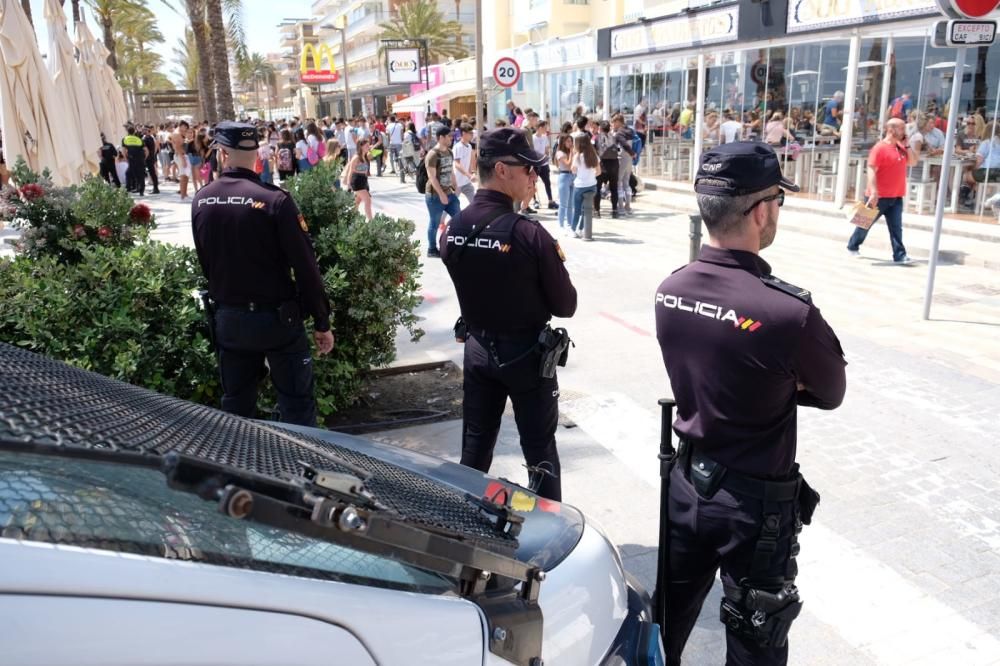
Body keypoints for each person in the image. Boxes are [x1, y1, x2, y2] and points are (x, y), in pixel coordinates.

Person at [654, 141, 846, 666]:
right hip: (755, 512)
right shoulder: (787, 313)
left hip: (686, 487)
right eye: (778, 201)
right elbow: (831, 392)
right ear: (761, 210)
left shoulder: (670, 290)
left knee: (663, 623)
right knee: (755, 645)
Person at [439, 127, 577, 501]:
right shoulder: (529, 234)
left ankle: (462, 533)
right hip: (527, 357)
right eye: (528, 170)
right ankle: (551, 544)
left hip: (479, 350)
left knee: (474, 451)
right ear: (502, 169)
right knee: (540, 454)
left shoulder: (452, 229)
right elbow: (566, 306)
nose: (534, 178)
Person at [191, 121, 334, 427]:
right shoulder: (274, 200)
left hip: (230, 321)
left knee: (237, 414)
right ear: (257, 154)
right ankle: (299, 473)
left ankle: (243, 473)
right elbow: (306, 267)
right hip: (278, 322)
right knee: (297, 411)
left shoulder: (202, 200)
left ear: (221, 153)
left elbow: (207, 264)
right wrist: (322, 321)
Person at [847, 118, 915, 263]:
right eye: (902, 128)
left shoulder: (901, 148)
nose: (905, 132)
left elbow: (913, 162)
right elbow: (871, 170)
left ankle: (900, 255)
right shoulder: (879, 148)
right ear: (891, 130)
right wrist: (874, 192)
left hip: (896, 196)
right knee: (864, 224)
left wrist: (907, 145)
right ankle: (852, 246)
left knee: (896, 228)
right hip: (878, 196)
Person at [424, 126, 461, 258]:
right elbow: (432, 177)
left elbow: (450, 171)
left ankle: (455, 244)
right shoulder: (432, 155)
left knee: (459, 218)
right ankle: (432, 249)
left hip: (449, 194)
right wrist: (441, 194)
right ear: (441, 138)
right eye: (449, 136)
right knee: (434, 223)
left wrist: (455, 185)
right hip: (435, 196)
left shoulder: (450, 152)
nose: (451, 138)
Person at [570, 134, 600, 237]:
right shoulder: (594, 155)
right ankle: (582, 229)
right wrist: (590, 176)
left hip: (579, 186)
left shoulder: (577, 156)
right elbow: (599, 172)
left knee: (577, 210)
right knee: (586, 209)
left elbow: (573, 171)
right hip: (592, 186)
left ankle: (573, 230)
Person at [594, 121, 619, 219]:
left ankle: (597, 211)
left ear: (600, 128)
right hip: (614, 165)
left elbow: (594, 150)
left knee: (597, 189)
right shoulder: (614, 137)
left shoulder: (596, 138)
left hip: (602, 165)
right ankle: (614, 210)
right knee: (614, 189)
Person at [346, 137, 373, 221]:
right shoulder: (356, 157)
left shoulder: (365, 156)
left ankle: (351, 218)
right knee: (368, 200)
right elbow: (350, 171)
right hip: (357, 180)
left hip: (364, 181)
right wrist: (348, 184)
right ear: (361, 146)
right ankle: (371, 221)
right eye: (366, 146)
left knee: (357, 202)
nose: (368, 147)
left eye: (368, 145)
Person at [453, 123, 477, 206]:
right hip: (457, 182)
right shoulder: (458, 147)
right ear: (463, 133)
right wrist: (469, 175)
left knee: (475, 203)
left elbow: (470, 162)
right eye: (470, 133)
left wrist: (473, 172)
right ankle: (441, 219)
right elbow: (457, 164)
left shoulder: (469, 146)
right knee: (451, 205)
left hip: (466, 182)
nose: (472, 135)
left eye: (472, 133)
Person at [554, 133, 574, 231]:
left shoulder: (570, 152)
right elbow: (568, 164)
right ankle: (561, 224)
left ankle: (570, 223)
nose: (570, 143)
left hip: (572, 176)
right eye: (568, 141)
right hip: (564, 176)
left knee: (571, 203)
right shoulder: (560, 153)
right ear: (563, 142)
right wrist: (572, 153)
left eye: (571, 141)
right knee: (563, 203)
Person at [122, 126, 146, 195]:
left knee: (128, 173)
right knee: (140, 174)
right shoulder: (138, 139)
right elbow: (146, 150)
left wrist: (126, 159)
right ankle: (141, 191)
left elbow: (124, 150)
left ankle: (128, 188)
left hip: (132, 159)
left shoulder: (125, 139)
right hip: (140, 158)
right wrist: (144, 158)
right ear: (134, 132)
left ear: (127, 132)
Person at [171, 121, 191, 199]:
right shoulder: (177, 134)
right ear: (181, 126)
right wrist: (183, 159)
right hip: (180, 156)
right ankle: (183, 195)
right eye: (185, 127)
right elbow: (177, 147)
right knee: (183, 176)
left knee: (185, 176)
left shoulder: (179, 133)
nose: (185, 129)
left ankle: (184, 193)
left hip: (182, 155)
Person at [141, 126, 160, 194]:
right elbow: (155, 148)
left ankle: (155, 188)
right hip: (151, 157)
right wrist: (153, 155)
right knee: (153, 173)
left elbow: (146, 150)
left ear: (146, 131)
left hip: (148, 158)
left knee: (151, 173)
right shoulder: (151, 138)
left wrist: (145, 158)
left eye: (144, 130)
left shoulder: (145, 139)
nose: (142, 131)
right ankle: (156, 188)